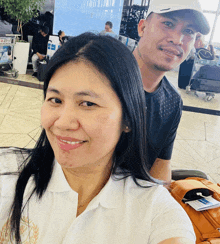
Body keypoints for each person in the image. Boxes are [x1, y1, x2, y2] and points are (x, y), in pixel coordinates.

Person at [0, 33, 195, 244]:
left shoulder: (155, 211)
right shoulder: (7, 173)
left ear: (128, 118)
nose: (63, 123)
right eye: (55, 100)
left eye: (88, 104)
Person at [133, 0, 210, 182]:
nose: (177, 40)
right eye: (168, 24)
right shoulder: (102, 77)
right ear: (142, 27)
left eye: (188, 32)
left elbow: (161, 166)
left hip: (135, 201)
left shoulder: (172, 102)